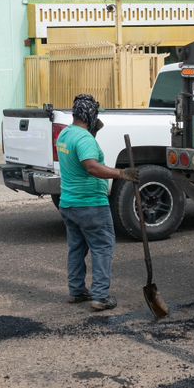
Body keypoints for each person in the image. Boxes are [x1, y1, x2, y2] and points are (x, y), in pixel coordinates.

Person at [57, 94, 138, 311]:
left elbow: (76, 158)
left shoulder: (65, 134)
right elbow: (91, 167)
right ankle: (100, 297)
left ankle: (77, 291)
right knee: (102, 247)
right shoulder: (84, 140)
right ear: (91, 115)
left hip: (69, 204)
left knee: (76, 248)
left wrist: (93, 131)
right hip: (90, 204)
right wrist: (122, 173)